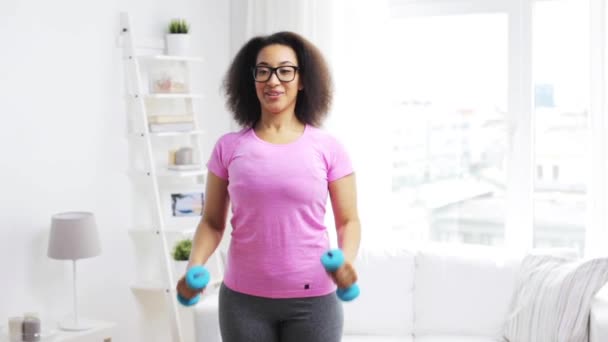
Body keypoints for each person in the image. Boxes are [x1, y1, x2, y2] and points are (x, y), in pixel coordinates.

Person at [176, 31, 361, 342]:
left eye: (285, 70)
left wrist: (346, 262)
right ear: (252, 80)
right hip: (243, 303)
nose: (273, 81)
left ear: (302, 80)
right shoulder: (228, 147)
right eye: (263, 71)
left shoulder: (329, 148)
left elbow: (349, 220)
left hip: (314, 301)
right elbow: (211, 222)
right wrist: (194, 267)